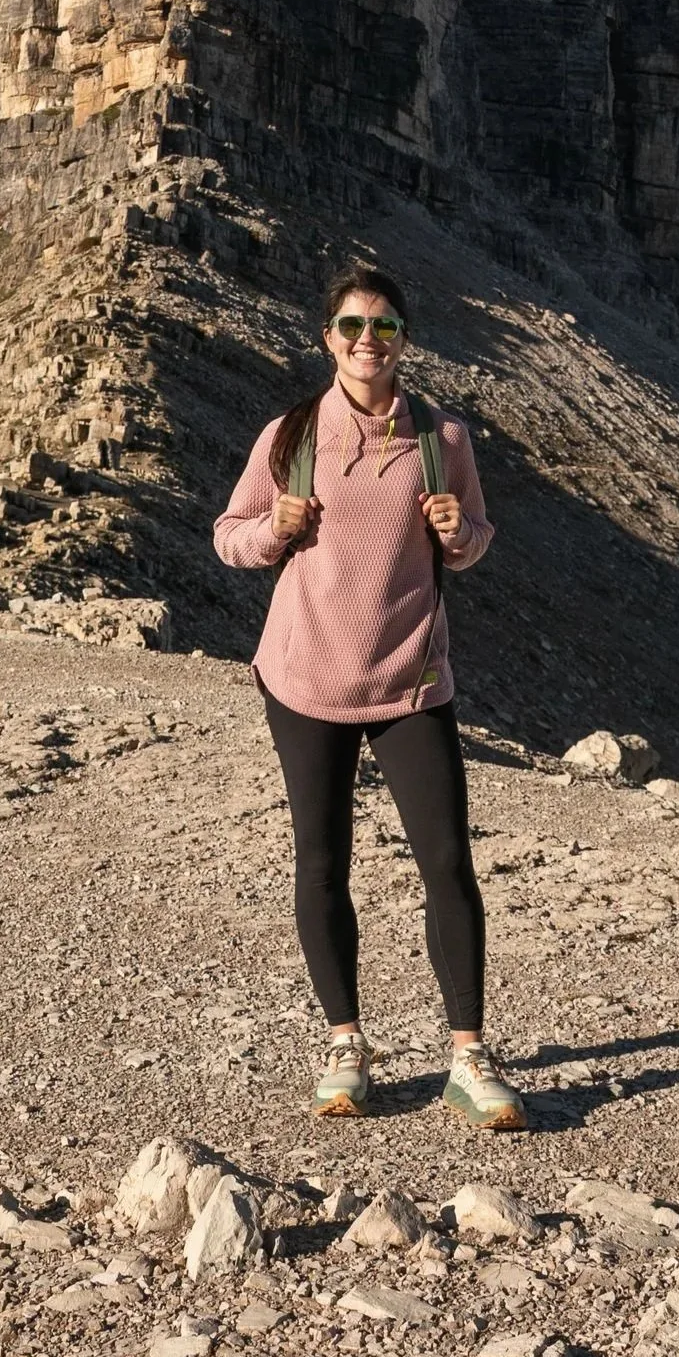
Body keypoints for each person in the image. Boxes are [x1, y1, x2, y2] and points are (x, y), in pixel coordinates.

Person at [213, 262, 525, 1130]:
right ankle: (346, 1043)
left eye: (383, 328)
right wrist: (271, 529)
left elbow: (470, 538)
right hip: (305, 676)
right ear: (327, 339)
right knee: (322, 863)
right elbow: (228, 535)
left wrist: (464, 538)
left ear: (404, 341)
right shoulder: (290, 435)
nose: (366, 342)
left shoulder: (443, 438)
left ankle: (468, 1053)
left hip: (411, 678)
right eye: (351, 326)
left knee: (448, 862)